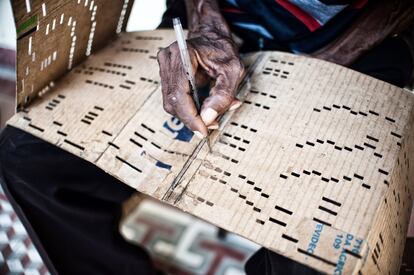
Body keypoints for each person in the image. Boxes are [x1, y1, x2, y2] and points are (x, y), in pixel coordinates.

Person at [0, 0, 413, 274]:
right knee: (30, 157)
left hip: (366, 47)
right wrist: (203, 20)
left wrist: (324, 62)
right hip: (219, 17)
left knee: (320, 254)